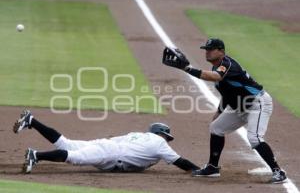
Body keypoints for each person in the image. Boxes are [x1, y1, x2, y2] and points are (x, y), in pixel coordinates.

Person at [162, 38, 287, 183]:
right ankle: (212, 168)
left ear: (221, 51)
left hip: (257, 103)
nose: (207, 52)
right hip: (240, 106)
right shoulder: (217, 67)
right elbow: (227, 93)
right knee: (216, 128)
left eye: (211, 49)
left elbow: (215, 77)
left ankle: (278, 172)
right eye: (206, 50)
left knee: (254, 138)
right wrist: (219, 112)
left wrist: (188, 68)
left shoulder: (227, 64)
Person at [13, 110, 199, 174]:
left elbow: (112, 141)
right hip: (111, 154)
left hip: (107, 146)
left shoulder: (137, 135)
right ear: (161, 134)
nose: (167, 140)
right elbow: (180, 162)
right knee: (73, 157)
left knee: (66, 144)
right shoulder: (159, 143)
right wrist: (197, 170)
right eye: (167, 136)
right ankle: (35, 155)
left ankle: (31, 120)